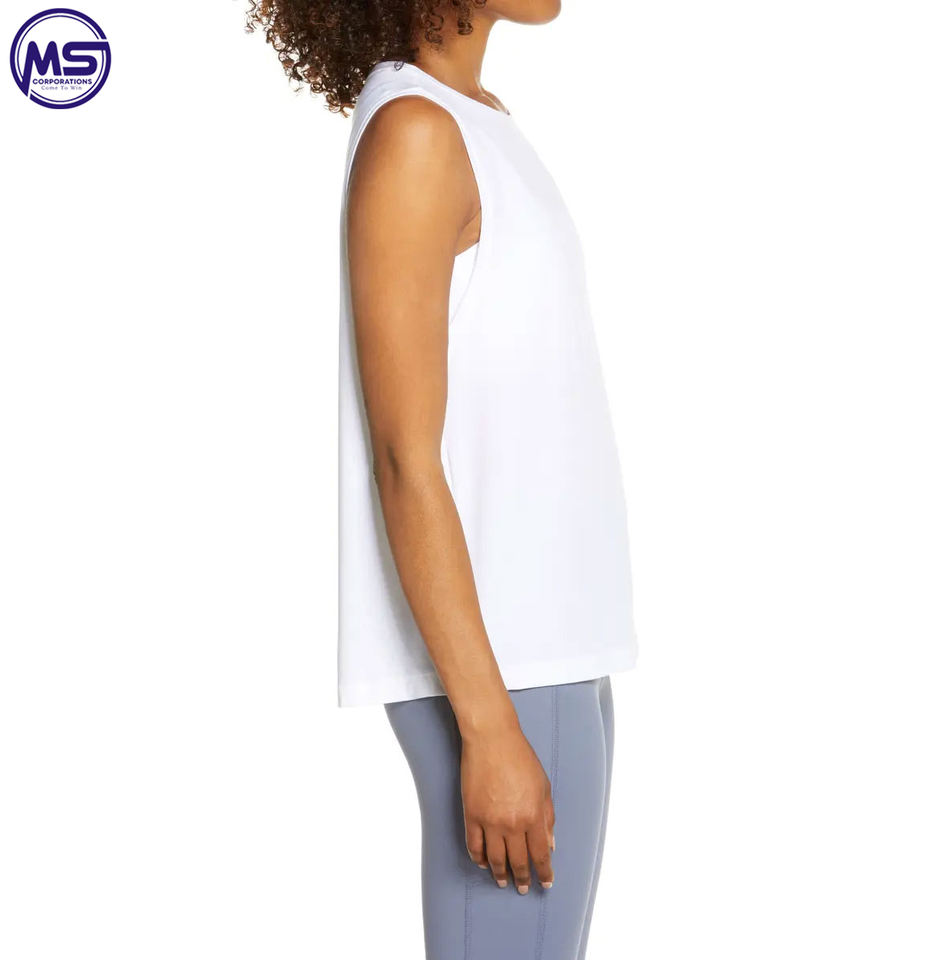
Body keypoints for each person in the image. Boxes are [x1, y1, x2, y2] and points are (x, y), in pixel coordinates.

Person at [248, 1, 638, 956]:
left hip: (549, 659)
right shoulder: (418, 134)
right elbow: (403, 458)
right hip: (499, 674)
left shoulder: (473, 118)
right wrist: (489, 727)